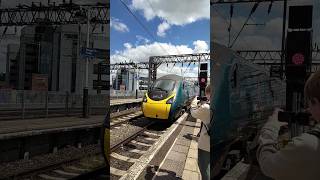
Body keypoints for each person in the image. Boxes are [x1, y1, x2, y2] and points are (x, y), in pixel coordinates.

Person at [257, 70, 320, 180]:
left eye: (310, 103)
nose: (308, 109)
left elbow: (268, 165)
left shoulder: (307, 145)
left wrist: (270, 128)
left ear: (316, 102)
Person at [190, 84, 211, 180]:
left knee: (204, 167)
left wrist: (194, 101)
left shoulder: (207, 108)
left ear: (209, 94)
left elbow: (194, 113)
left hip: (206, 145)